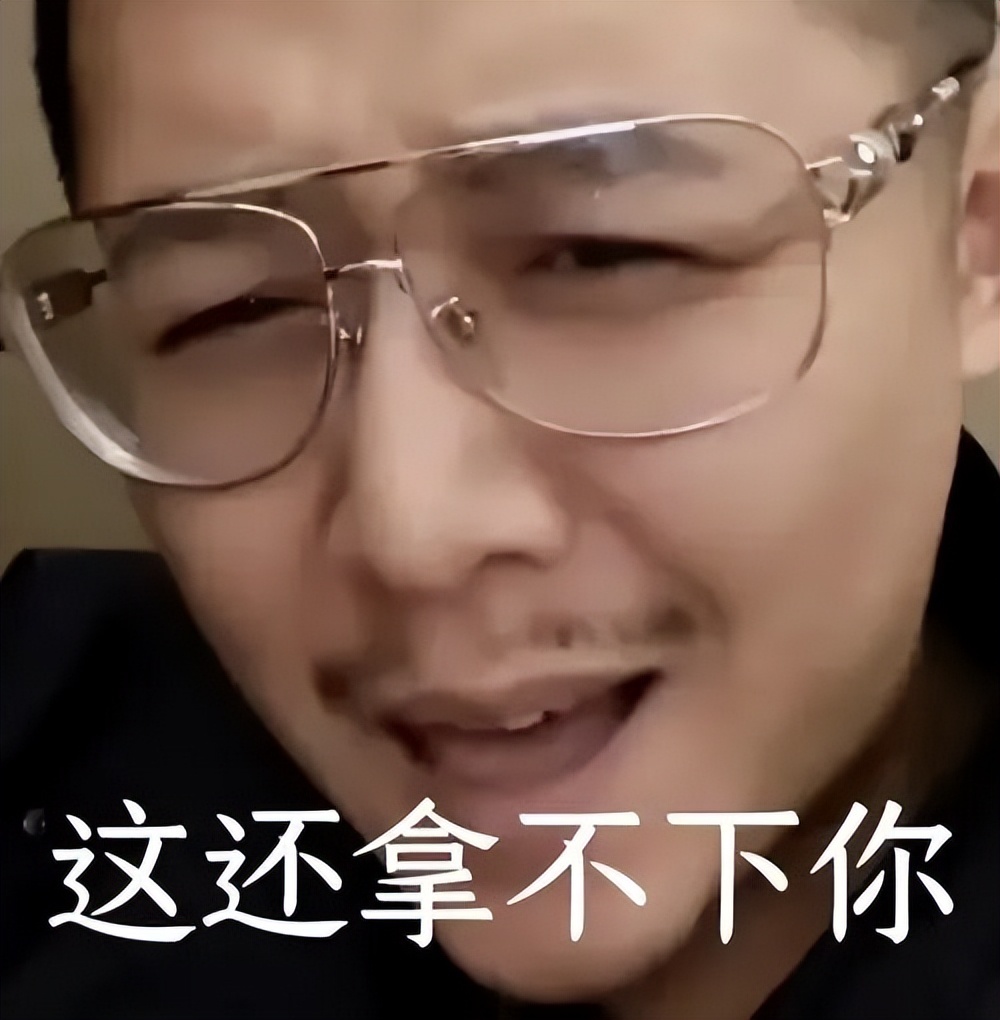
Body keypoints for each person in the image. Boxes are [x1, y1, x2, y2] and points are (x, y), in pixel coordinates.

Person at [1, 1, 997, 1018]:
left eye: (604, 253)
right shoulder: (54, 750)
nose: (412, 531)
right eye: (228, 309)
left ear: (977, 223)